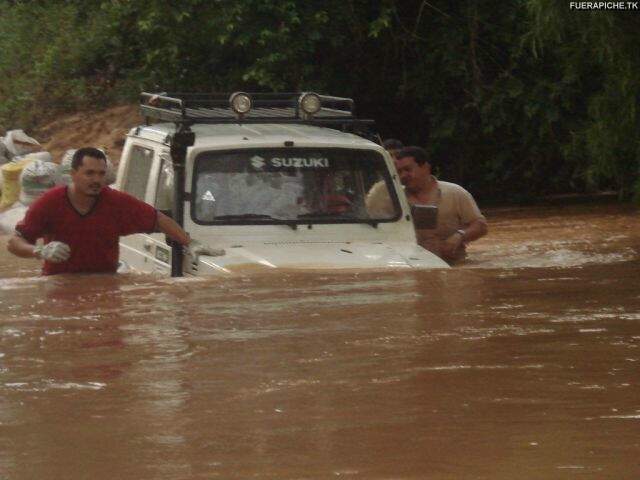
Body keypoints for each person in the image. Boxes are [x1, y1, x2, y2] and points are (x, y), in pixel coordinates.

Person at [7, 147, 216, 275]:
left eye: (101, 174)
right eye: (89, 173)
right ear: (73, 174)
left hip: (105, 282)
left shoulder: (116, 202)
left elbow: (158, 219)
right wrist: (38, 251)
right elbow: (15, 242)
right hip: (59, 282)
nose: (97, 180)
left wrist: (190, 243)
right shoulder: (49, 203)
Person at [394, 146, 487, 264]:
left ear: (426, 167)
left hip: (453, 266)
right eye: (399, 172)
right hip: (412, 265)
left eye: (407, 169)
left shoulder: (455, 192)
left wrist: (459, 236)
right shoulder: (394, 199)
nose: (403, 176)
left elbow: (481, 226)